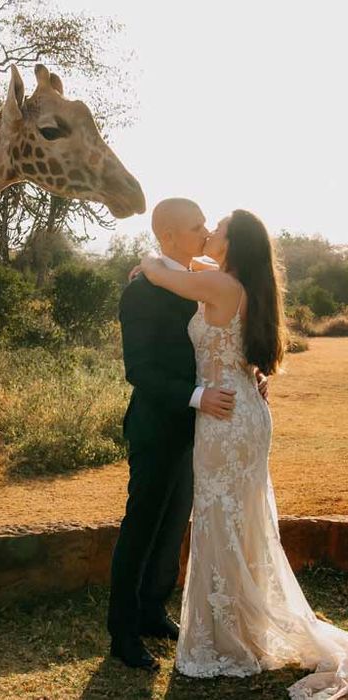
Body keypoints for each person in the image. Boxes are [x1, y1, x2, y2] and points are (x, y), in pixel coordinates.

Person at [139, 208, 348, 699]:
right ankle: (239, 629)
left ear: (233, 246)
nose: (210, 232)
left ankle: (228, 640)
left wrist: (150, 259)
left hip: (225, 417)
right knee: (237, 518)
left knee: (220, 517)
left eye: (219, 230)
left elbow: (158, 272)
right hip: (242, 410)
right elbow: (194, 271)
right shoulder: (238, 282)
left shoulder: (221, 288)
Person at [107, 198, 260, 670]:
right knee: (141, 528)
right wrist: (196, 396)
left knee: (174, 526)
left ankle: (154, 611)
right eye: (196, 227)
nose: (205, 231)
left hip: (202, 431)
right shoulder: (140, 293)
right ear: (168, 235)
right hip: (158, 427)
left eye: (207, 225)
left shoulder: (198, 279)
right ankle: (123, 633)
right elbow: (141, 371)